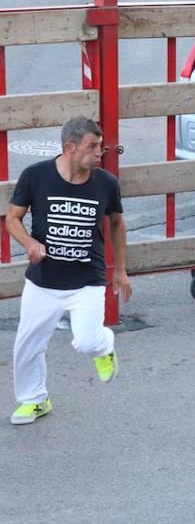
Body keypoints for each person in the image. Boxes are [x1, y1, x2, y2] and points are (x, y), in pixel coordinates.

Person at [7, 117, 131, 425]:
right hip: (43, 282)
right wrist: (30, 243)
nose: (100, 152)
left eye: (100, 146)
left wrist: (121, 270)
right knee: (26, 345)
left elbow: (116, 222)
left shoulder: (105, 183)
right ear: (70, 148)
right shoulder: (35, 176)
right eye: (93, 146)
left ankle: (104, 347)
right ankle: (35, 400)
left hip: (86, 280)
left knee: (86, 342)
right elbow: (12, 218)